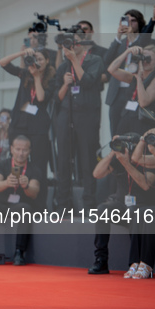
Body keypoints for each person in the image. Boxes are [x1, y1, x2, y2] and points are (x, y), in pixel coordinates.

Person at [87, 133, 155, 275]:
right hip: (121, 206)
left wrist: (127, 163)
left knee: (134, 212)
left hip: (142, 207)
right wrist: (112, 153)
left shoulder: (148, 160)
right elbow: (97, 174)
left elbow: (146, 185)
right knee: (102, 209)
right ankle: (101, 260)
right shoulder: (119, 158)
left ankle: (136, 262)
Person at [0, 47, 56, 206]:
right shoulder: (24, 73)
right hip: (19, 124)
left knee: (38, 166)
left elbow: (41, 97)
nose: (37, 62)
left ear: (47, 61)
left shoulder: (52, 78)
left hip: (38, 128)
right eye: (35, 58)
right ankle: (11, 201)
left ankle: (39, 207)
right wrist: (22, 54)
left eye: (40, 59)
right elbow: (3, 63)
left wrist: (37, 77)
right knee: (14, 162)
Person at [53, 29, 104, 210]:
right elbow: (56, 98)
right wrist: (66, 85)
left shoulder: (94, 60)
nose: (71, 46)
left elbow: (88, 81)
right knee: (64, 162)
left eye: (73, 42)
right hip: (66, 115)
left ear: (81, 44)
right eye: (68, 43)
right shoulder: (62, 67)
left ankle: (89, 204)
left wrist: (74, 59)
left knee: (87, 160)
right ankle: (63, 204)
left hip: (87, 115)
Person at [0, 135, 41, 266]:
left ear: (29, 151)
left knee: (26, 210)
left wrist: (26, 185)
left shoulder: (34, 169)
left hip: (17, 206)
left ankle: (19, 252)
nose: (21, 153)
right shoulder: (1, 164)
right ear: (11, 149)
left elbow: (34, 192)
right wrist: (7, 182)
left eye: (24, 150)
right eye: (18, 149)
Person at [103, 10, 155, 137]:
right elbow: (106, 60)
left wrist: (153, 19)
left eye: (133, 21)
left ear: (139, 23)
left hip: (134, 91)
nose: (130, 24)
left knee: (133, 130)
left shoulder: (143, 41)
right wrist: (118, 36)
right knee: (115, 132)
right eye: (127, 20)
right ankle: (117, 156)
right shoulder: (120, 44)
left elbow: (144, 39)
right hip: (117, 93)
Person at [129, 129, 155, 279]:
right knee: (138, 211)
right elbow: (136, 158)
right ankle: (135, 262)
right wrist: (143, 139)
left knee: (150, 212)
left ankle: (147, 264)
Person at [108, 45, 155, 136]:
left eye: (149, 58)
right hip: (127, 117)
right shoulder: (133, 77)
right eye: (143, 57)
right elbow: (112, 70)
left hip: (144, 122)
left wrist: (139, 77)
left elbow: (143, 102)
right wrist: (127, 52)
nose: (145, 61)